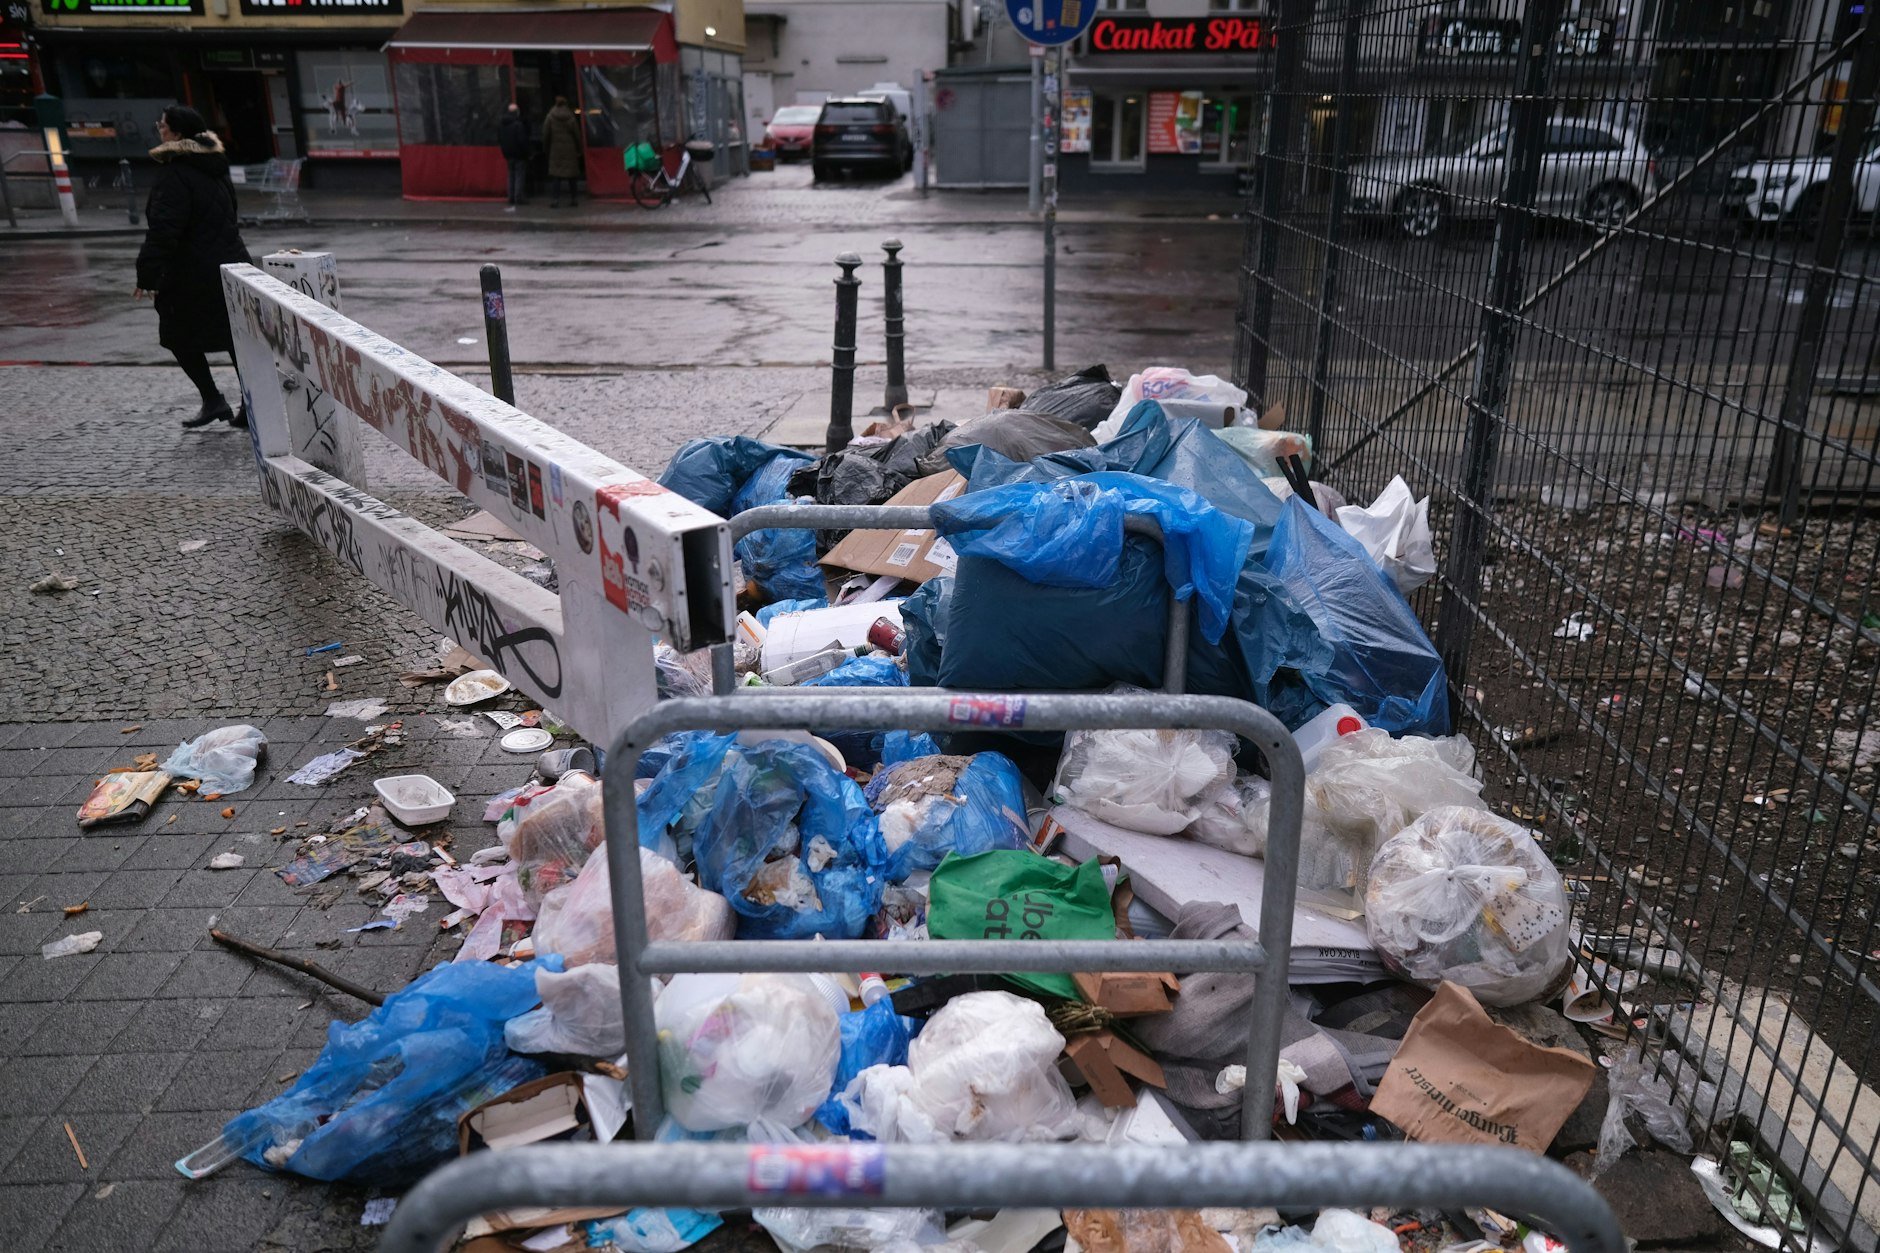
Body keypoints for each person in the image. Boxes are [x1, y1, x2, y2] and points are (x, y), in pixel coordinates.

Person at [134, 105, 253, 430]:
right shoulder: (217, 168)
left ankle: (213, 399)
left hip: (191, 273)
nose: (159, 129)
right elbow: (230, 215)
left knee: (176, 335)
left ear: (177, 133)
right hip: (233, 265)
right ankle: (251, 404)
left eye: (163, 125)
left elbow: (164, 228)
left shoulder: (174, 173)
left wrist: (148, 274)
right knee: (235, 337)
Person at [542, 95, 582, 208]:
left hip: (555, 150)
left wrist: (546, 149)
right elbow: (577, 135)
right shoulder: (571, 117)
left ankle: (555, 200)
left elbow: (545, 135)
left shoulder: (550, 117)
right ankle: (574, 198)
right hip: (570, 150)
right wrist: (579, 149)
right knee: (572, 176)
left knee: (556, 176)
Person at [498, 102, 530, 210]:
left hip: (508, 154)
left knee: (511, 175)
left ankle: (511, 197)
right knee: (519, 176)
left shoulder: (502, 124)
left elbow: (500, 139)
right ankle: (518, 197)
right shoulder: (518, 125)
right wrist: (527, 152)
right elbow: (522, 141)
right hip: (519, 154)